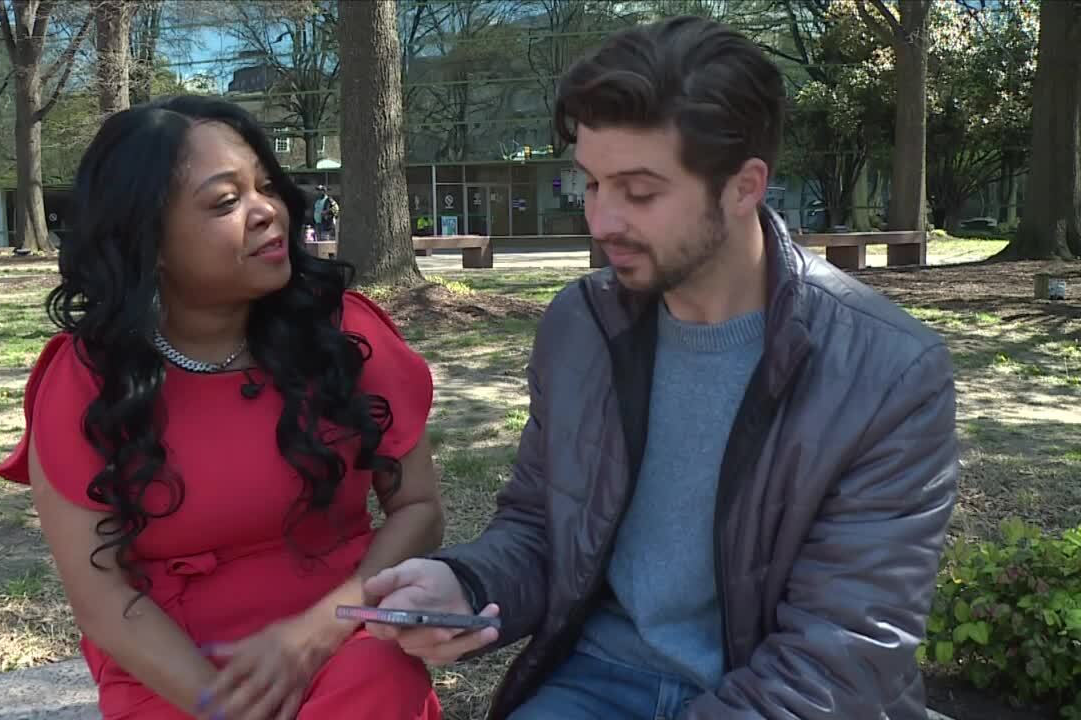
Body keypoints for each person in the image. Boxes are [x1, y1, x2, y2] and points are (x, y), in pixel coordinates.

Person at [363, 16, 958, 720]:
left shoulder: (887, 372)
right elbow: (542, 527)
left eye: (640, 192)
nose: (601, 221)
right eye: (591, 184)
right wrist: (465, 583)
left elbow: (838, 659)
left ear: (744, 187)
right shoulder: (581, 326)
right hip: (595, 678)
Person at [0, 95, 445, 720]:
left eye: (267, 187)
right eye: (226, 201)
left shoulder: (344, 334)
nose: (266, 212)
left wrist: (318, 632)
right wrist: (227, 708)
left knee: (379, 678)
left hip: (345, 635)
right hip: (178, 669)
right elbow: (100, 597)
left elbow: (418, 508)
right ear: (149, 239)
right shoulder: (88, 380)